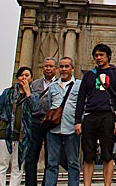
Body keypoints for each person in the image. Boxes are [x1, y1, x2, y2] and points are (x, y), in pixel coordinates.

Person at [75, 43, 116, 186]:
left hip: (108, 115)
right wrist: (77, 121)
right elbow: (81, 98)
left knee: (107, 155)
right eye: (96, 55)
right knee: (88, 156)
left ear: (108, 56)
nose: (98, 58)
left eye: (101, 55)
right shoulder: (88, 75)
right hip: (90, 116)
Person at [0, 67, 39, 186]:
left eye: (27, 75)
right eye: (21, 75)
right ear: (17, 78)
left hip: (23, 134)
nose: (24, 78)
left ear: (31, 79)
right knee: (2, 164)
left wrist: (28, 93)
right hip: (5, 132)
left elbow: (36, 109)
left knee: (18, 166)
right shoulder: (7, 92)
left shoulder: (33, 95)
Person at [44, 57, 81, 186]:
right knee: (51, 163)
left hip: (71, 128)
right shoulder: (53, 86)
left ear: (72, 68)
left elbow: (83, 106)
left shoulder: (79, 85)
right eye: (61, 66)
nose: (64, 69)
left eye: (66, 66)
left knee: (73, 163)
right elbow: (50, 104)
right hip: (54, 128)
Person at [26, 57, 57, 186]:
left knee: (51, 159)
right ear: (42, 68)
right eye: (46, 66)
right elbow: (29, 103)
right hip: (36, 122)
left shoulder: (60, 84)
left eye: (51, 66)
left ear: (56, 69)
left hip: (52, 123)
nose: (48, 68)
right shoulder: (35, 84)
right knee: (31, 156)